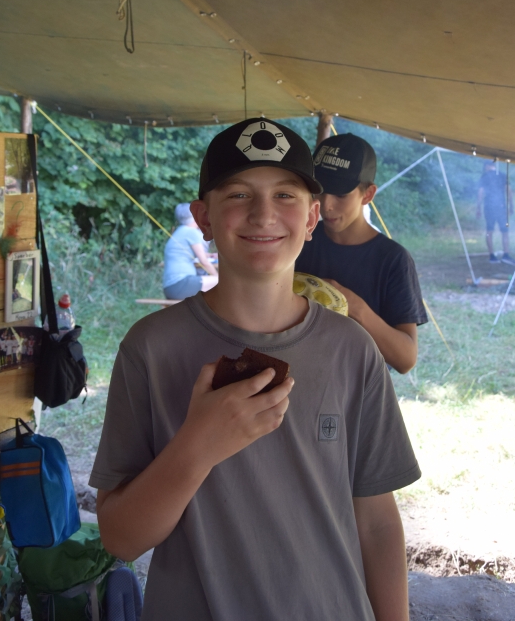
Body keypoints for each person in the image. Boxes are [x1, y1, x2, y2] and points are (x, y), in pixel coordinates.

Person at [90, 117, 420, 621]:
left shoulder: (352, 349)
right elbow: (121, 538)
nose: (263, 214)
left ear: (311, 217)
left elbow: (376, 522)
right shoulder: (151, 349)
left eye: (285, 195)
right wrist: (198, 445)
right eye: (239, 194)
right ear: (203, 217)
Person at [296, 130, 427, 374]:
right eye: (320, 190)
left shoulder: (392, 259)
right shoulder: (299, 241)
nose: (326, 205)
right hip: (301, 377)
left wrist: (354, 307)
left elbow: (406, 359)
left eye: (341, 195)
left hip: (360, 386)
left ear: (367, 194)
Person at [162, 202, 218, 299]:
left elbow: (189, 253)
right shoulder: (191, 232)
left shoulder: (180, 231)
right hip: (181, 284)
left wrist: (209, 255)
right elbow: (204, 262)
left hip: (171, 287)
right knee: (225, 283)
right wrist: (216, 276)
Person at [477, 160, 514, 264]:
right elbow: (509, 191)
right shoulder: (502, 175)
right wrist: (511, 206)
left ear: (487, 166)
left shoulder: (484, 177)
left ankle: (492, 255)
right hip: (501, 207)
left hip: (489, 207)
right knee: (505, 231)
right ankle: (506, 254)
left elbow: (480, 193)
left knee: (489, 231)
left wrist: (478, 208)